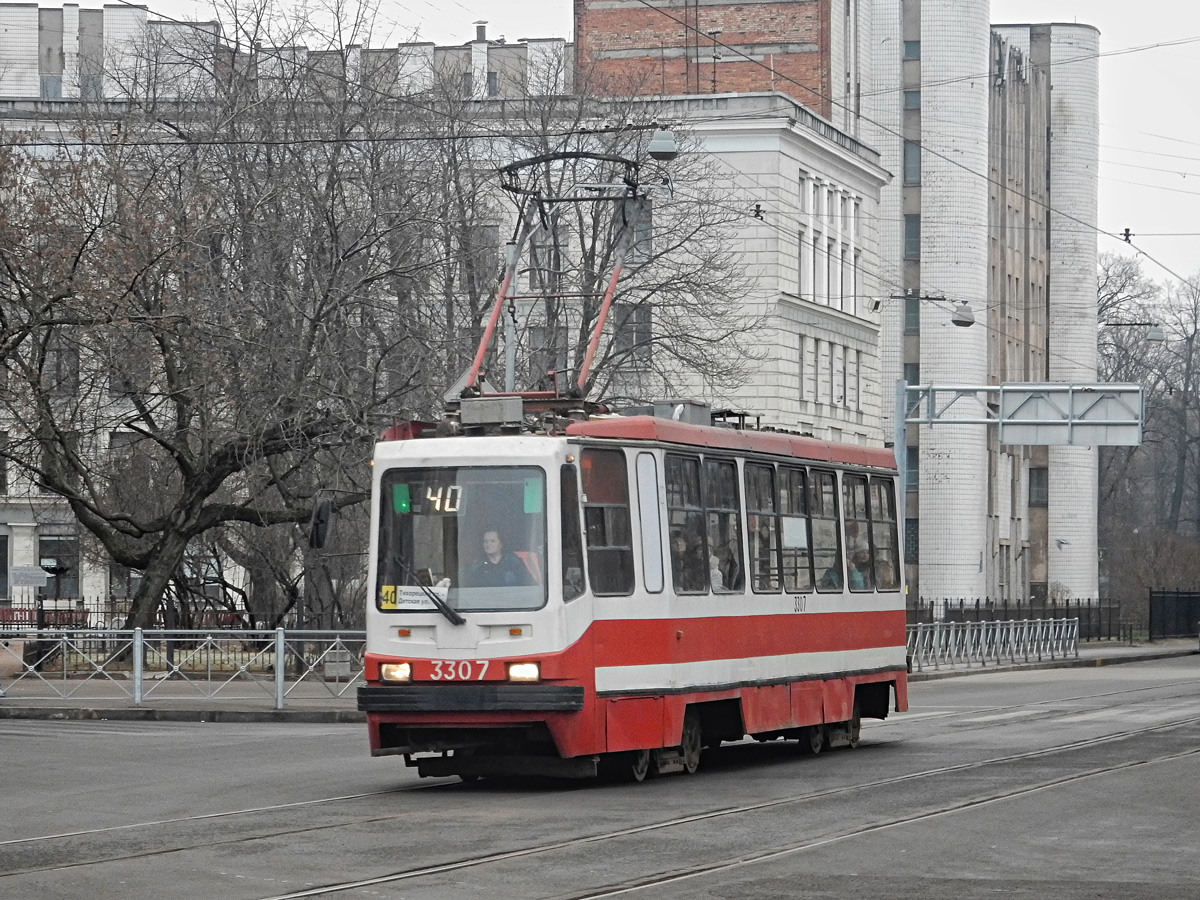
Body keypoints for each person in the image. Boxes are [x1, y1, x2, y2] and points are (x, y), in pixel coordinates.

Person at [464, 530, 533, 588]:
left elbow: (530, 585)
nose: (488, 545)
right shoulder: (477, 567)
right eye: (486, 541)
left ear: (501, 544)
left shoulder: (514, 562)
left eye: (492, 541)